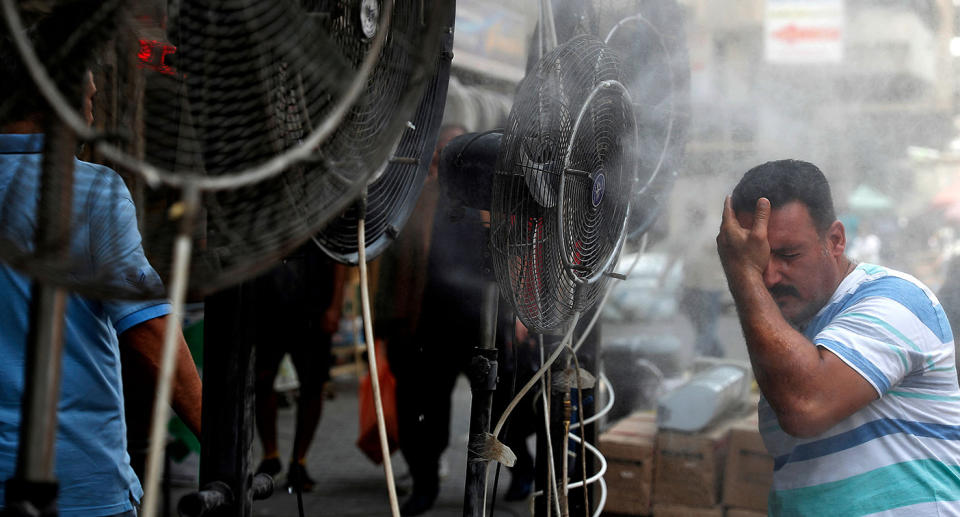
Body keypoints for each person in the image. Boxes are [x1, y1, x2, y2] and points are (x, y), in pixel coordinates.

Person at [0, 13, 202, 517]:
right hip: (75, 485)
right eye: (87, 97)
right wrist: (221, 444)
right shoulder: (91, 192)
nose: (93, 105)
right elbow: (153, 338)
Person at [717, 159, 960, 515]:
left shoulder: (896, 298)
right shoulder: (784, 338)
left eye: (788, 255)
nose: (768, 277)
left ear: (835, 240)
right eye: (757, 260)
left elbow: (806, 405)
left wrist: (742, 272)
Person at [251, 245, 345, 492]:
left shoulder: (327, 210)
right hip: (270, 302)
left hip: (314, 303)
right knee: (262, 379)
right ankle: (270, 455)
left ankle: (299, 461)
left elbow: (340, 258)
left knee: (312, 385)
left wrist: (335, 306)